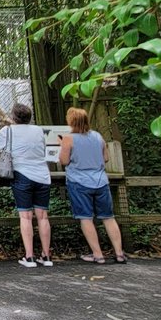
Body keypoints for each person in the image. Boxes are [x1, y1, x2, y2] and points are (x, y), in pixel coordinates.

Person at [58, 106, 126, 264]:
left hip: (79, 182)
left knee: (86, 218)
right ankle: (119, 253)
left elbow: (64, 161)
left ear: (71, 121)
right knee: (108, 217)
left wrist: (62, 147)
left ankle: (98, 254)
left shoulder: (68, 139)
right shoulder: (97, 136)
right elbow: (106, 158)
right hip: (101, 181)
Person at [0, 103, 52, 268]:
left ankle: (29, 257)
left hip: (22, 176)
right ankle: (46, 256)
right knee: (43, 217)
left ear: (13, 117)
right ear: (29, 117)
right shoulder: (38, 130)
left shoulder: (8, 130)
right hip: (42, 176)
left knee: (25, 217)